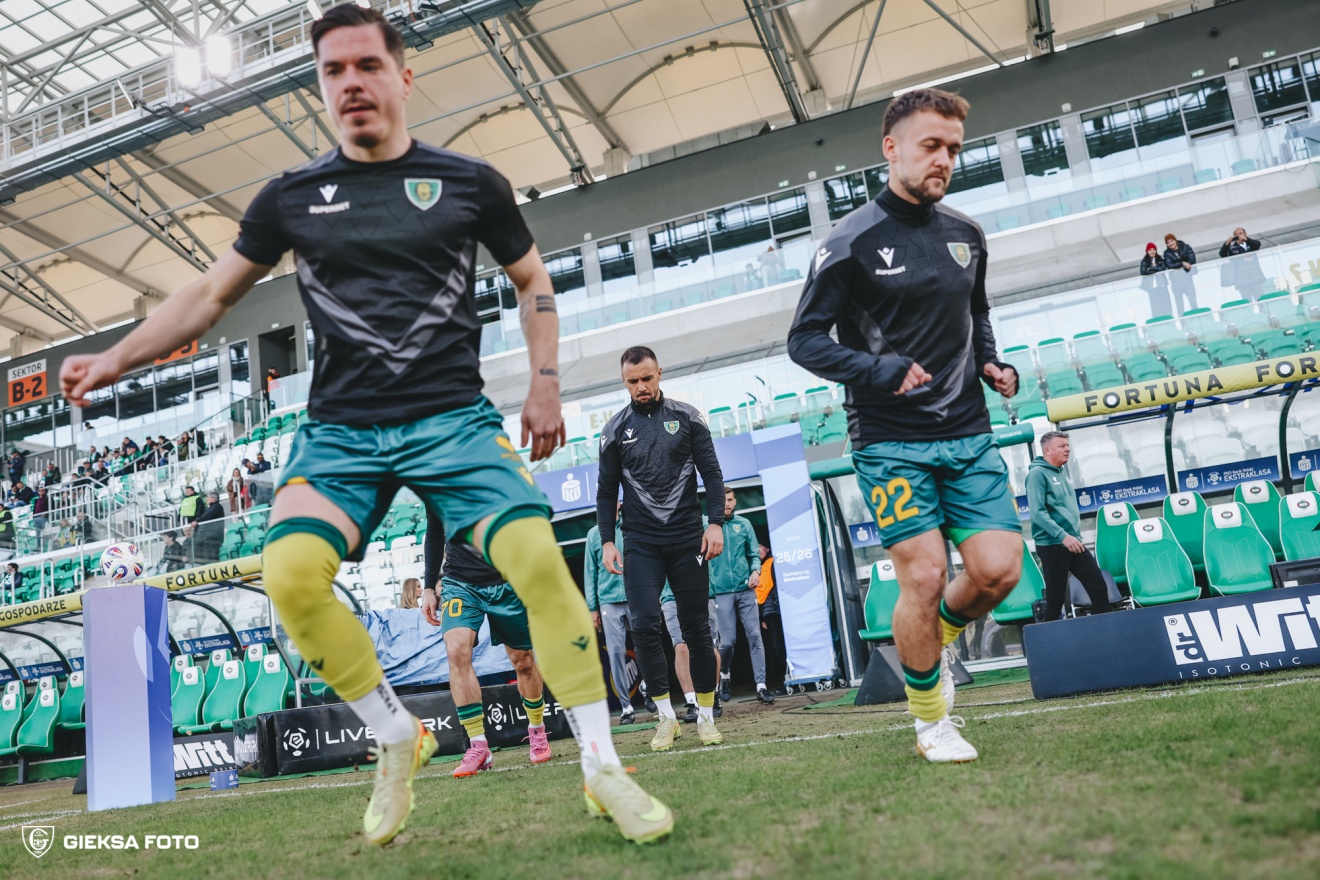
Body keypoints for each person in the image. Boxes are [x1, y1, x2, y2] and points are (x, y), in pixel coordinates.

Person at [58, 3, 666, 848]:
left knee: (538, 563)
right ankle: (394, 732)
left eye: (367, 65)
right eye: (333, 71)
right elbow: (207, 295)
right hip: (342, 431)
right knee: (289, 576)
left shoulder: (469, 183)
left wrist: (545, 383)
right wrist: (117, 357)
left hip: (452, 420)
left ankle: (602, 766)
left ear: (403, 77)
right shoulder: (290, 198)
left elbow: (532, 280)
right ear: (321, 87)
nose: (350, 82)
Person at [787, 88, 1024, 764]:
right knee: (922, 578)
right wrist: (877, 369)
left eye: (953, 148)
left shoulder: (967, 234)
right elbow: (804, 340)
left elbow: (977, 313)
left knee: (999, 572)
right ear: (891, 149)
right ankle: (931, 722)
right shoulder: (849, 243)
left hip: (969, 432)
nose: (944, 158)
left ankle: (931, 638)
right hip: (890, 441)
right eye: (931, 146)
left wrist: (991, 362)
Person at [595, 345, 727, 751]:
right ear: (624, 382)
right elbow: (606, 493)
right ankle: (666, 718)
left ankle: (705, 717)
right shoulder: (613, 431)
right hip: (641, 544)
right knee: (644, 625)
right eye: (632, 381)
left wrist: (716, 523)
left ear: (659, 374)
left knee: (696, 628)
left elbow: (712, 473)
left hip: (688, 538)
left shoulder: (688, 417)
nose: (641, 386)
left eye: (646, 378)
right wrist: (607, 541)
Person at [420, 509, 551, 774]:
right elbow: (434, 531)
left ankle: (537, 730)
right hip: (459, 583)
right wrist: (428, 587)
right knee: (456, 651)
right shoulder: (435, 486)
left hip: (509, 580)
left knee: (523, 662)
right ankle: (478, 746)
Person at [1026, 432, 1113, 621]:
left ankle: (1107, 630)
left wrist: (1071, 537)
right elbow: (1037, 513)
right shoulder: (1037, 474)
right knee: (1056, 600)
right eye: (1061, 446)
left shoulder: (1061, 471)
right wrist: (1063, 536)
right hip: (1053, 545)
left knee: (1098, 586)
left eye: (1067, 445)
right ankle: (1047, 636)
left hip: (1074, 542)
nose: (1067, 449)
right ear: (1047, 450)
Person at [710, 488, 773, 705]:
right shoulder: (708, 527)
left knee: (755, 636)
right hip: (721, 593)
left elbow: (754, 554)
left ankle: (761, 686)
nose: (726, 504)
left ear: (735, 502)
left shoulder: (744, 524)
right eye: (723, 500)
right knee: (727, 643)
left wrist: (755, 570)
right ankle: (725, 672)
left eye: (729, 500)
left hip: (746, 590)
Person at [585, 502, 638, 725]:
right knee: (616, 652)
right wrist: (592, 608)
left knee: (647, 646)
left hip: (636, 596)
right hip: (608, 601)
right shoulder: (593, 534)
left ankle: (650, 688)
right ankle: (626, 707)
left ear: (619, 503)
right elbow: (590, 573)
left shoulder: (632, 525)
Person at [660, 582, 722, 723]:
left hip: (702, 592)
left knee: (710, 646)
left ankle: (714, 695)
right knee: (681, 646)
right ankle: (692, 701)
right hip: (670, 596)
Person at [756, 542, 788, 693]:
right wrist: (763, 616)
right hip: (770, 614)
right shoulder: (759, 568)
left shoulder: (774, 563)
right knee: (777, 648)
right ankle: (786, 679)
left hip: (780, 611)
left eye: (759, 546)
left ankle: (789, 679)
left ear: (767, 548)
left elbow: (778, 587)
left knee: (782, 647)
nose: (757, 550)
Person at [1218, 227, 1267, 300]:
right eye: (1236, 235)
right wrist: (1226, 244)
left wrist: (1246, 240)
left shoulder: (1250, 244)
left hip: (1255, 278)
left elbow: (1257, 245)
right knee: (1247, 301)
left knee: (1260, 300)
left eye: (1240, 233)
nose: (1239, 236)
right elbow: (1222, 254)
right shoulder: (1232, 248)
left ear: (1245, 234)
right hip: (1242, 281)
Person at [1162, 232, 1197, 315]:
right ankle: (1183, 322)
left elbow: (1192, 259)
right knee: (1179, 304)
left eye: (1171, 241)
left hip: (1187, 279)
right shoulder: (1167, 253)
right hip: (1176, 282)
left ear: (1175, 240)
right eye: (1168, 242)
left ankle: (1197, 318)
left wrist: (1180, 264)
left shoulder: (1185, 247)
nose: (1170, 243)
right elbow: (1169, 265)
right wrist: (1182, 263)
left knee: (1193, 301)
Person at [188, 491, 226, 562]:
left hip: (214, 537)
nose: (206, 499)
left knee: (212, 558)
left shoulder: (217, 507)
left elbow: (207, 515)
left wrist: (197, 521)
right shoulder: (211, 507)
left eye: (208, 497)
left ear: (214, 499)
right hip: (210, 537)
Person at [1138, 242, 1170, 317]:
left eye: (1154, 249)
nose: (1152, 251)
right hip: (1151, 286)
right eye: (1150, 250)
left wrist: (1151, 269)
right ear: (1147, 251)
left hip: (1161, 285)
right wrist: (1155, 269)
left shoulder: (1159, 259)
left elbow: (1163, 268)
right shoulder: (1145, 261)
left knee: (1164, 301)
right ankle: (1157, 316)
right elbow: (1143, 271)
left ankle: (1167, 315)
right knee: (1155, 303)